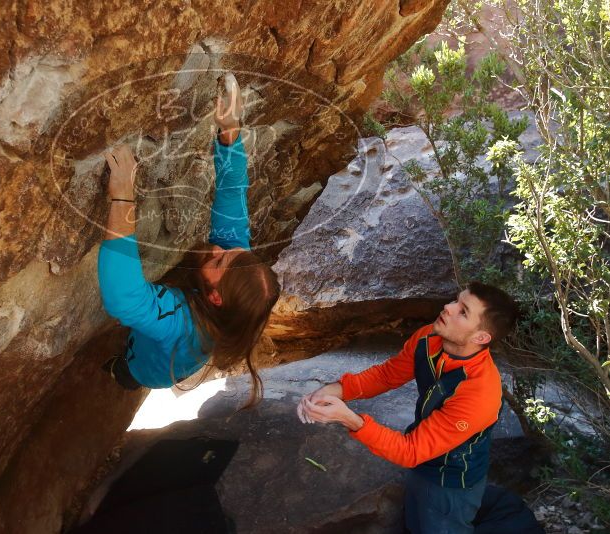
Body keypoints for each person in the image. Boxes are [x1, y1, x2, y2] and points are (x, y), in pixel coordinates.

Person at [97, 73, 280, 407]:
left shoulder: (181, 324)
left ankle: (119, 371)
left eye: (218, 260)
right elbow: (232, 193)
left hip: (151, 368)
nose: (218, 248)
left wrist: (123, 197)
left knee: (128, 370)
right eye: (230, 251)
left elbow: (125, 299)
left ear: (215, 297)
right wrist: (229, 131)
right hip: (177, 355)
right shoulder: (237, 274)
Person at [297, 282, 520, 534]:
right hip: (422, 460)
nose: (447, 307)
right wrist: (335, 389)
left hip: (452, 481)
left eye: (463, 311)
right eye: (455, 300)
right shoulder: (430, 338)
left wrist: (350, 420)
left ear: (481, 337)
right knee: (416, 522)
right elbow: (388, 375)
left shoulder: (479, 392)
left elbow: (411, 450)